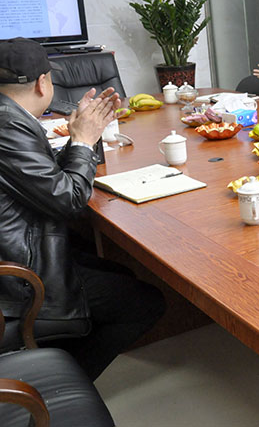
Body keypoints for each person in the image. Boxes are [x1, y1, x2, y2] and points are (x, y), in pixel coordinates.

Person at [0, 37, 165, 380]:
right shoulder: (7, 126)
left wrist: (84, 136)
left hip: (22, 248)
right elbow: (69, 200)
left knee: (120, 271)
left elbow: (41, 177)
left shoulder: (9, 117)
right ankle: (60, 380)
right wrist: (83, 141)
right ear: (42, 83)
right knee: (145, 302)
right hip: (21, 279)